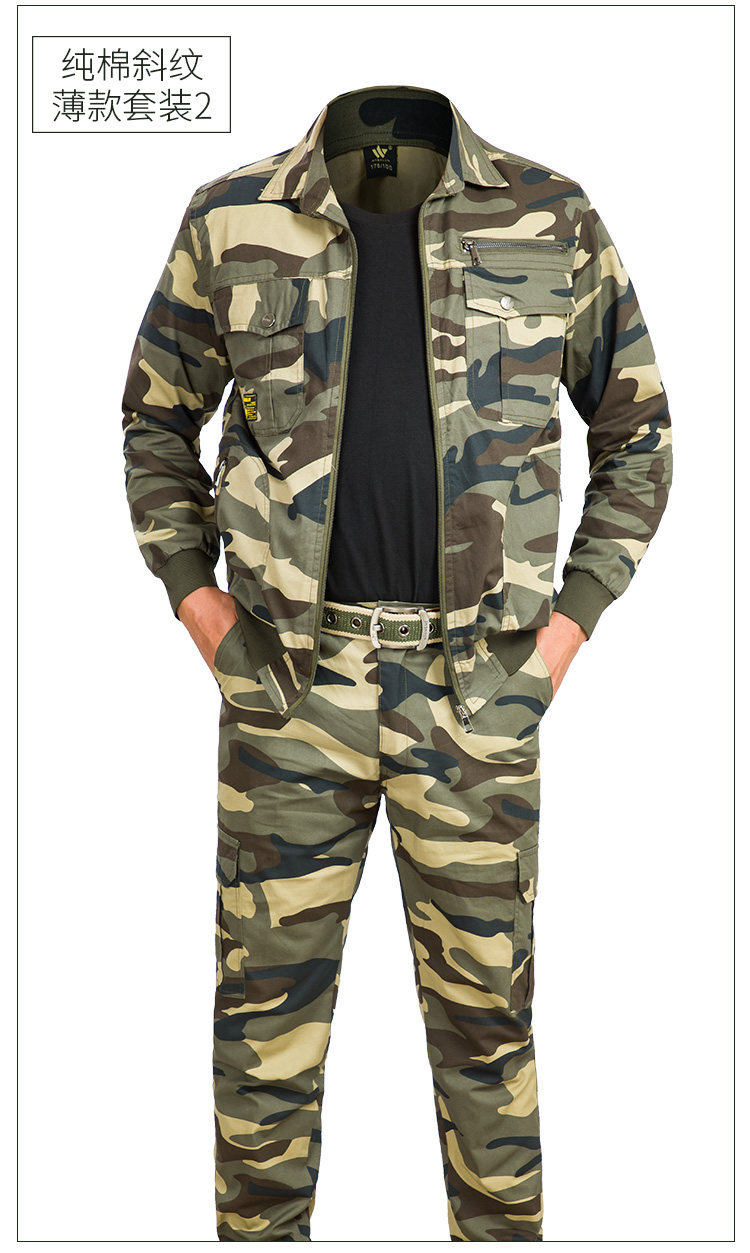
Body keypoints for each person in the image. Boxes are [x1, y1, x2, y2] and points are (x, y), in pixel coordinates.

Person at [121, 83, 672, 1242]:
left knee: (488, 1037)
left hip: (479, 694)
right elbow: (154, 422)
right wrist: (201, 607)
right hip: (288, 689)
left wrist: (563, 633)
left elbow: (639, 437)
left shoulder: (549, 215)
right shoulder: (232, 217)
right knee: (262, 1041)